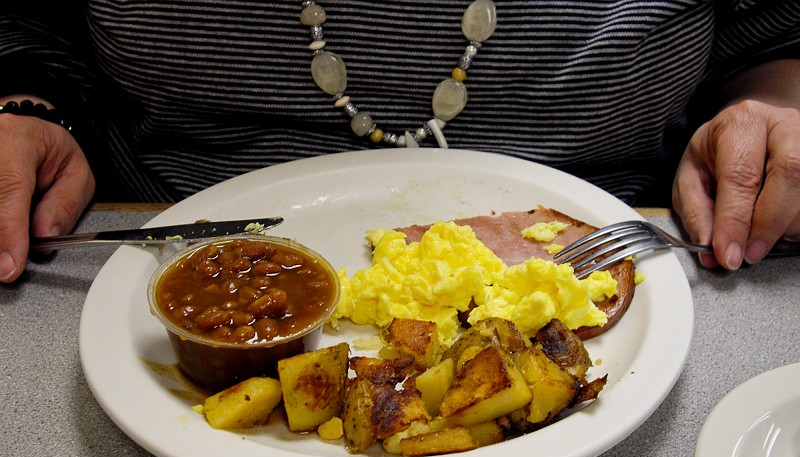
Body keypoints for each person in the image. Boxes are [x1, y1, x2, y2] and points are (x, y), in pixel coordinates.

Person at [1, 1, 798, 284]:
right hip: (107, 257)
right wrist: (28, 103)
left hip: (662, 258)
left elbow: (774, 33)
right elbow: (31, 25)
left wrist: (772, 112)